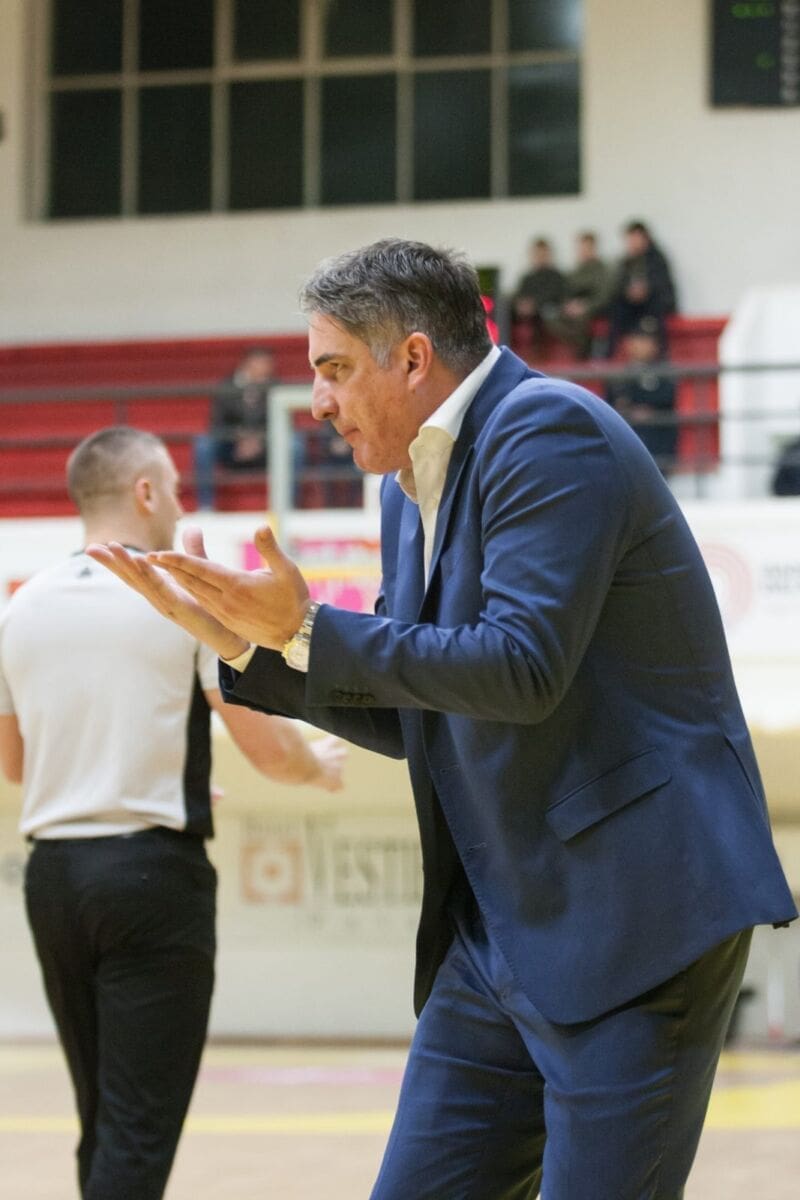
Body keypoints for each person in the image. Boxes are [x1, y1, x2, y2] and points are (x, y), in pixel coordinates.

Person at [88, 240, 797, 1200]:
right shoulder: (402, 488)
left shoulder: (547, 430)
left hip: (637, 914)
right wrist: (253, 653)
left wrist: (307, 628)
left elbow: (520, 666)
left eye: (334, 369)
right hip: (500, 926)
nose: (318, 402)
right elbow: (423, 708)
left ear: (414, 359)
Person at [0, 426, 346, 1200]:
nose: (182, 506)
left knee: (103, 1123)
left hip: (53, 880)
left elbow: (17, 765)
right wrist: (317, 768)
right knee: (137, 1134)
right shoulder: (176, 597)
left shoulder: (21, 609)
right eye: (177, 491)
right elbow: (265, 747)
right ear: (145, 492)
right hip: (152, 880)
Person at [194, 347, 275, 509]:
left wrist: (259, 441)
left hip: (265, 446)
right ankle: (206, 506)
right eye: (263, 364)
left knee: (293, 444)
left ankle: (287, 503)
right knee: (204, 444)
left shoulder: (275, 387)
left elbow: (281, 422)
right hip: (231, 446)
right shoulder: (226, 387)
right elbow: (217, 423)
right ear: (248, 364)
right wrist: (238, 438)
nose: (268, 369)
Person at [606, 316, 679, 474]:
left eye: (647, 341)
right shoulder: (619, 377)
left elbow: (666, 399)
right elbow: (611, 404)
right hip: (626, 448)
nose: (642, 346)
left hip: (658, 447)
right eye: (638, 340)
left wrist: (646, 408)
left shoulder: (665, 373)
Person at [607, 219, 678, 356]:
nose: (633, 242)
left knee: (653, 315)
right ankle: (609, 354)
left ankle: (661, 354)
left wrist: (645, 290)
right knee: (617, 309)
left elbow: (662, 286)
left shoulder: (657, 259)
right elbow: (617, 285)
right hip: (632, 305)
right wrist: (629, 292)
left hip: (654, 303)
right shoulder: (626, 262)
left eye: (636, 238)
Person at [545, 230, 611, 358]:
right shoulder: (575, 271)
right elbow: (566, 292)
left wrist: (585, 306)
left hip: (592, 309)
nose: (583, 251)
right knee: (550, 316)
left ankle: (584, 351)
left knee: (580, 320)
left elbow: (603, 295)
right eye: (581, 248)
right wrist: (568, 306)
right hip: (572, 307)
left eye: (587, 248)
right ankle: (578, 346)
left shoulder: (602, 270)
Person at [509, 236, 565, 355]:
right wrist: (520, 305)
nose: (540, 257)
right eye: (537, 254)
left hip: (544, 309)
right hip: (525, 310)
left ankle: (539, 352)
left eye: (542, 254)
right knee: (505, 311)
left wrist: (534, 304)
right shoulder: (527, 277)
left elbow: (555, 295)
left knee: (546, 313)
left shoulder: (556, 276)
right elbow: (519, 295)